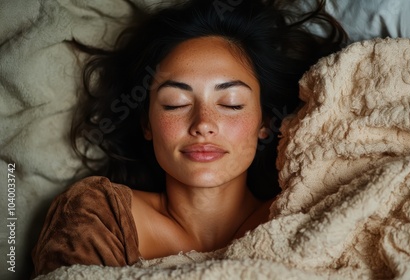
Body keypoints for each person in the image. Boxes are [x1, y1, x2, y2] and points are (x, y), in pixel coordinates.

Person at [31, 0, 347, 277]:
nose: (203, 124)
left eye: (231, 104)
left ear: (264, 122)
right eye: (175, 104)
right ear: (147, 124)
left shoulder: (305, 209)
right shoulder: (99, 214)